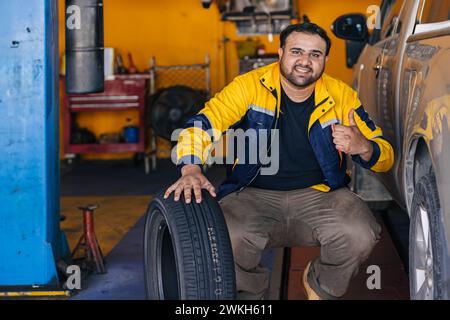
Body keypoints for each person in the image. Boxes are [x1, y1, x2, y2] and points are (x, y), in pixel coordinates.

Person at [165, 22, 394, 300]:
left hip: (321, 196)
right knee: (224, 237)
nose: (304, 62)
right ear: (281, 52)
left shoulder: (341, 95)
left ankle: (321, 285)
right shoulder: (248, 86)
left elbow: (386, 156)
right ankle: (250, 297)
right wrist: (190, 168)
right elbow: (200, 126)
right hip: (252, 194)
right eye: (297, 51)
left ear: (325, 60)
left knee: (360, 232)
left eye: (315, 54)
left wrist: (365, 147)